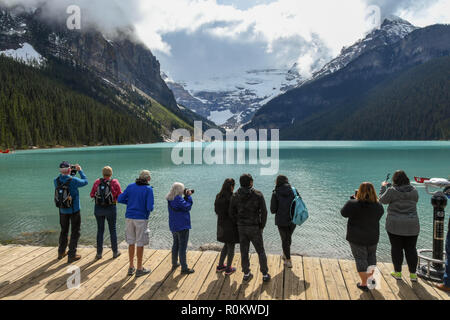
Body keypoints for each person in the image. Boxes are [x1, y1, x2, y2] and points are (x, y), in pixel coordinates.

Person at [341, 182, 384, 292]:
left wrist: (353, 200)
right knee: (371, 257)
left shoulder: (353, 203)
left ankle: (364, 284)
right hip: (372, 236)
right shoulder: (378, 205)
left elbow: (343, 213)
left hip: (356, 238)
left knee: (360, 259)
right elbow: (379, 215)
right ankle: (370, 279)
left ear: (359, 191)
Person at [379, 170, 420, 282]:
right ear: (406, 179)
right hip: (412, 225)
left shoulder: (392, 190)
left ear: (395, 180)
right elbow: (415, 200)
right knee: (411, 249)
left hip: (395, 225)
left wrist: (383, 187)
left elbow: (382, 200)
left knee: (396, 248)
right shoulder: (414, 190)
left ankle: (398, 273)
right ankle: (413, 275)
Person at [230, 174, 271, 283]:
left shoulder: (235, 196)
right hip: (255, 227)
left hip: (242, 228)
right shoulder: (258, 194)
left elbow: (231, 212)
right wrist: (262, 225)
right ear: (251, 182)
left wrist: (237, 222)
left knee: (244, 251)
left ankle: (246, 273)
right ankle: (265, 274)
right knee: (260, 251)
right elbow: (264, 212)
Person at [118, 170, 154, 278]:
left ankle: (131, 266)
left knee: (131, 242)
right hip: (141, 219)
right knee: (140, 243)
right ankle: (139, 268)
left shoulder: (130, 186)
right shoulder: (148, 189)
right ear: (148, 179)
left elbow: (120, 199)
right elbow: (149, 207)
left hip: (129, 217)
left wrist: (130, 203)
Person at [54, 162, 88, 263]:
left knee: (64, 231)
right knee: (75, 232)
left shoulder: (56, 181)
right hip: (74, 210)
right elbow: (85, 181)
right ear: (69, 170)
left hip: (62, 210)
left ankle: (61, 252)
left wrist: (70, 173)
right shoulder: (74, 181)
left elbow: (66, 180)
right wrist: (80, 170)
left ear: (60, 170)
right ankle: (72, 255)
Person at [90, 166, 122, 260]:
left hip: (98, 208)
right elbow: (120, 195)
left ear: (102, 174)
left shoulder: (97, 182)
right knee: (113, 230)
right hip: (111, 208)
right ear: (111, 174)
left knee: (100, 230)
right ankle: (115, 252)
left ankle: (99, 254)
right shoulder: (114, 182)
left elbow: (92, 195)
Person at [166, 182, 195, 275]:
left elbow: (181, 205)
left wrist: (185, 197)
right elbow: (187, 207)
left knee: (175, 244)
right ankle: (184, 268)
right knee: (182, 247)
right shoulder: (178, 199)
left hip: (173, 225)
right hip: (182, 226)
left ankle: (174, 263)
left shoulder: (170, 198)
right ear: (179, 191)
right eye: (182, 190)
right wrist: (189, 197)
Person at [270, 175, 297, 268]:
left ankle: (288, 260)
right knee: (288, 238)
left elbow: (272, 210)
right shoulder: (294, 190)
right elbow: (299, 203)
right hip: (293, 219)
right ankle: (285, 255)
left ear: (277, 182)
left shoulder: (275, 193)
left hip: (281, 221)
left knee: (284, 239)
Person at [214, 178, 239, 275]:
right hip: (231, 226)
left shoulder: (218, 196)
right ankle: (228, 268)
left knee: (226, 244)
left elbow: (216, 210)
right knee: (231, 246)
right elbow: (234, 213)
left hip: (221, 225)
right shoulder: (232, 197)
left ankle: (220, 266)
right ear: (232, 186)